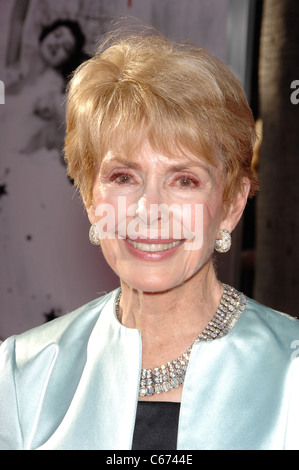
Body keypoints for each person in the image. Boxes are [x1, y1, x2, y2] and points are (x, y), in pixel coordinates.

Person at [1, 30, 299, 451]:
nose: (149, 209)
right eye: (124, 177)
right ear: (89, 197)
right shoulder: (23, 373)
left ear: (232, 204)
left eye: (184, 180)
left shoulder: (291, 375)